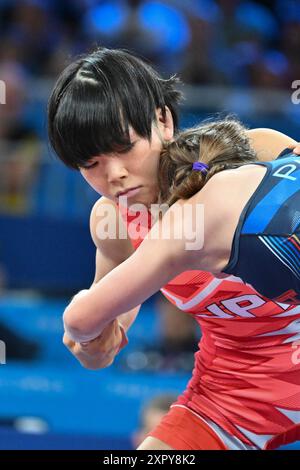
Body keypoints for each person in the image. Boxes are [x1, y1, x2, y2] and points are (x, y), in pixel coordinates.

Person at [48, 47, 300, 450]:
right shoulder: (112, 223)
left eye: (124, 147)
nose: (115, 175)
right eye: (91, 163)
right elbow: (102, 342)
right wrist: (93, 348)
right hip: (230, 399)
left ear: (162, 120)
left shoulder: (260, 152)